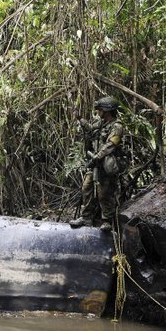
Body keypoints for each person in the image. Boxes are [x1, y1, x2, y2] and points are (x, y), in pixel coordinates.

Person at [70, 96, 126, 232]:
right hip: (96, 163)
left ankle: (107, 220)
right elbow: (90, 128)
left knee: (104, 193)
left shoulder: (117, 126)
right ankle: (86, 217)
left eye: (100, 109)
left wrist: (97, 156)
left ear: (107, 111)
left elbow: (111, 145)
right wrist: (79, 119)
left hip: (107, 164)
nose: (98, 112)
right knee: (86, 188)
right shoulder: (102, 123)